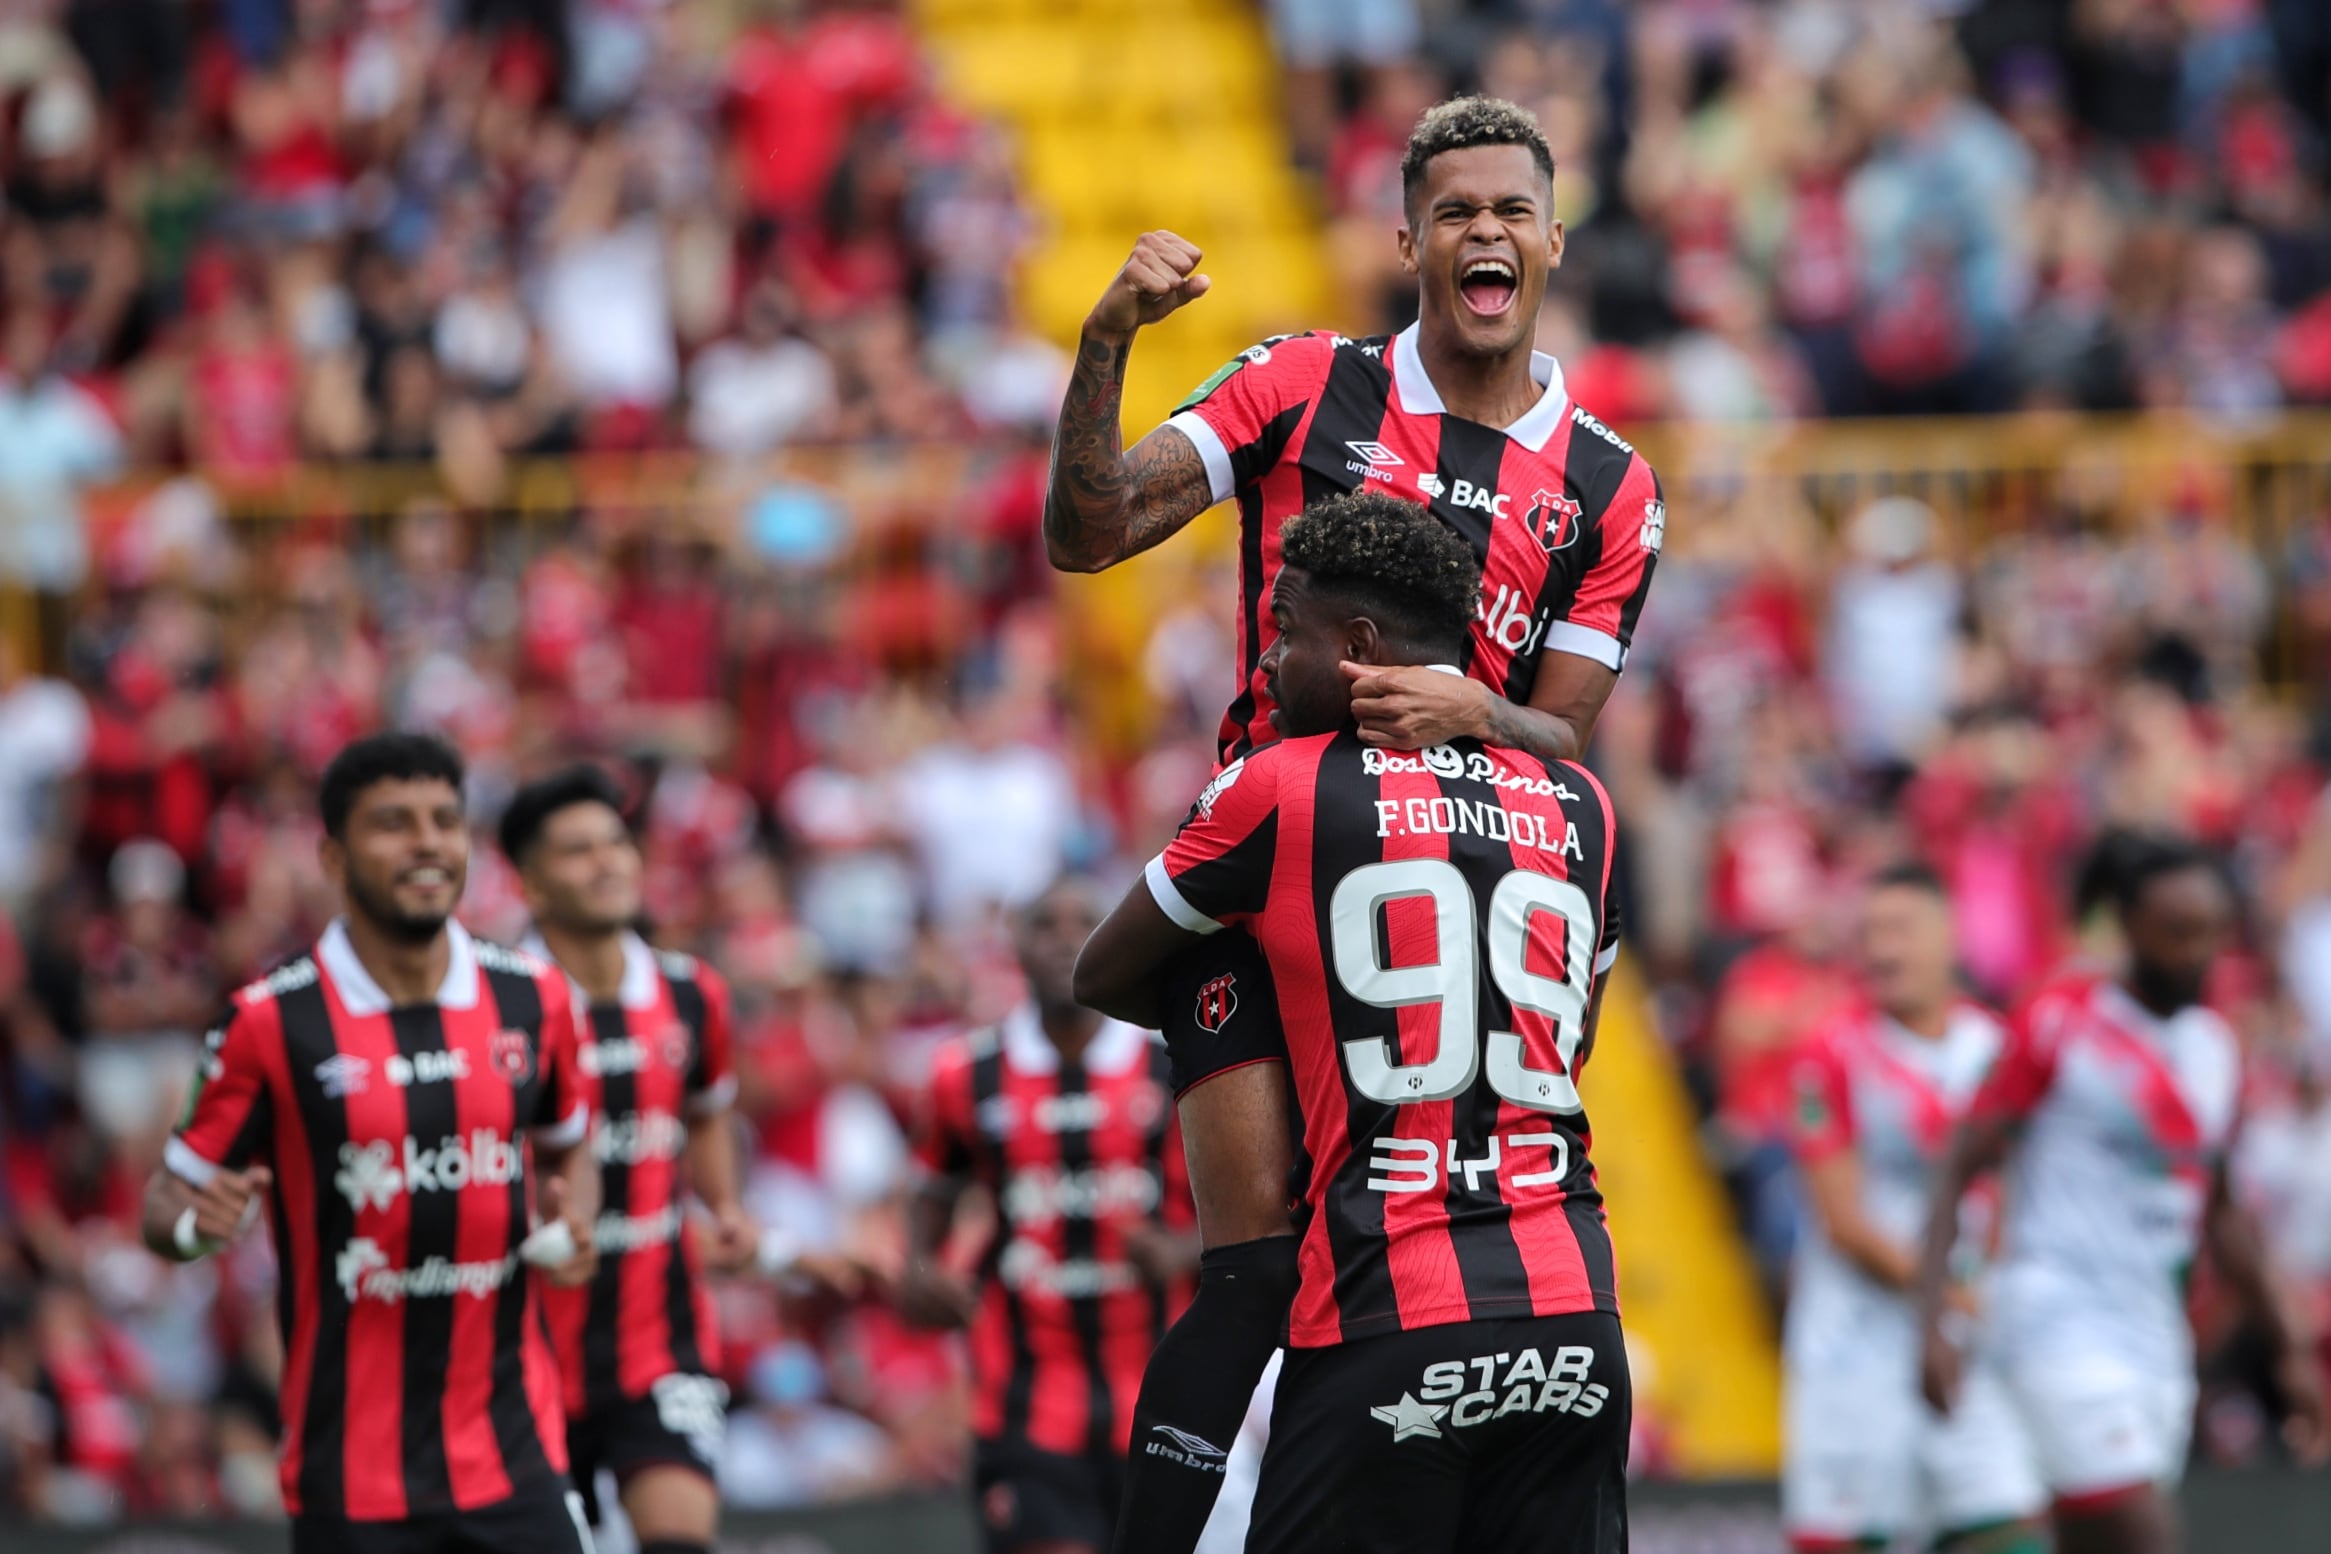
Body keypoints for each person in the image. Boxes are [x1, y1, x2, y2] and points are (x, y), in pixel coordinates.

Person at [1044, 94, 1662, 1553]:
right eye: (1454, 211)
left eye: (1509, 208)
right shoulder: (1299, 384)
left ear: (1552, 238)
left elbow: (1564, 732)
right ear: (1407, 239)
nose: (1484, 233)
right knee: (1258, 1261)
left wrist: (1472, 713)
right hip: (1267, 869)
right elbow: (1088, 533)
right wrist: (1103, 342)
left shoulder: (1609, 486)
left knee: (1454, 1269)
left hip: (1454, 893)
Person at [1077, 490, 1629, 1554]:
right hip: (1576, 1314)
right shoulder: (1581, 804)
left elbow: (1102, 975)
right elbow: (1578, 1039)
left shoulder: (1276, 789)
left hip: (1387, 1312)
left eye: (1288, 632)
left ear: (1359, 649)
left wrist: (1267, 1018)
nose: (1271, 662)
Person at [140, 731, 601, 1554]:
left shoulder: (534, 998)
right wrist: (192, 1230)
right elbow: (165, 1200)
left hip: (516, 1457)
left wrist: (577, 1228)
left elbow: (572, 1146)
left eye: (444, 820)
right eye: (393, 822)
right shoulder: (267, 1022)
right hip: (349, 1479)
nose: (427, 842)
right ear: (333, 857)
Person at [1914, 836, 2330, 1554]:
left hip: (2152, 1335)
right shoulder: (2058, 1020)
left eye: (2207, 933)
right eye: (2174, 933)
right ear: (2128, 926)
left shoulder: (2211, 1046)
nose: (2193, 953)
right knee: (2143, 1541)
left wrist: (2288, 1344)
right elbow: (1960, 1163)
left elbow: (2222, 1211)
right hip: (2053, 1317)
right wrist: (1932, 1324)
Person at [498, 764, 758, 1554]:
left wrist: (726, 1209)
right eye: (577, 851)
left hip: (661, 1339)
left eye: (615, 843)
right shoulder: (499, 1007)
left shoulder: (691, 993)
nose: (607, 862)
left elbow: (706, 1115)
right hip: (526, 1351)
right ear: (531, 886)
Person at [899, 875, 1199, 1554]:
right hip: (1022, 1406)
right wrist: (919, 1270)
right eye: (1045, 925)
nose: (1065, 937)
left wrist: (1183, 1252)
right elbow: (931, 1194)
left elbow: (1252, 1213)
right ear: (1015, 947)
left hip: (1164, 1404)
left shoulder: (1175, 1067)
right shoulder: (964, 1076)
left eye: (1084, 920)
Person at [1783, 864, 2045, 1553]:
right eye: (1867, 932)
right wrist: (1956, 1297)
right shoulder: (1829, 1051)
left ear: (1948, 937)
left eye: (1898, 929)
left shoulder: (1995, 1051)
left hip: (1966, 1345)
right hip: (1854, 1351)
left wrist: (1986, 1297)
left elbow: (2014, 1191)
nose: (1880, 949)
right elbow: (1843, 1223)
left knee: (2011, 1526)